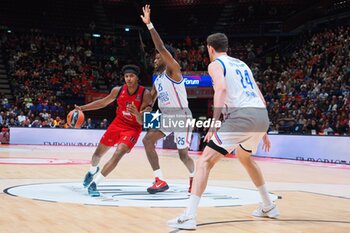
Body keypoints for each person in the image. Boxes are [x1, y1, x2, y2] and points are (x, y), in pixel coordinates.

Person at [168, 33, 279, 230]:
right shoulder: (242, 64)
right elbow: (259, 96)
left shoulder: (215, 65)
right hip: (261, 117)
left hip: (240, 118)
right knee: (245, 158)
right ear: (226, 47)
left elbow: (221, 89)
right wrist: (263, 130)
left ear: (210, 48)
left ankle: (189, 216)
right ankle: (268, 206)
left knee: (204, 161)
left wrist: (213, 124)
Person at [140, 5, 195, 194]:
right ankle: (160, 180)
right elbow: (151, 99)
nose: (155, 59)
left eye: (157, 57)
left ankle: (194, 178)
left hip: (181, 116)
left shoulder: (174, 70)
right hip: (166, 116)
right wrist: (145, 107)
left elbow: (161, 47)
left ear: (166, 58)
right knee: (148, 140)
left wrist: (149, 25)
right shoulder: (158, 79)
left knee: (183, 155)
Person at [77, 64, 152, 197]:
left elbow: (143, 122)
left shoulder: (145, 94)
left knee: (118, 153)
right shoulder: (117, 90)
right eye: (126, 76)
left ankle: (95, 184)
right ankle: (92, 170)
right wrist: (82, 108)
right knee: (96, 156)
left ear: (137, 78)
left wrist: (137, 114)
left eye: (131, 76)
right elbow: (102, 103)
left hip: (132, 129)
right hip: (117, 124)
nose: (128, 79)